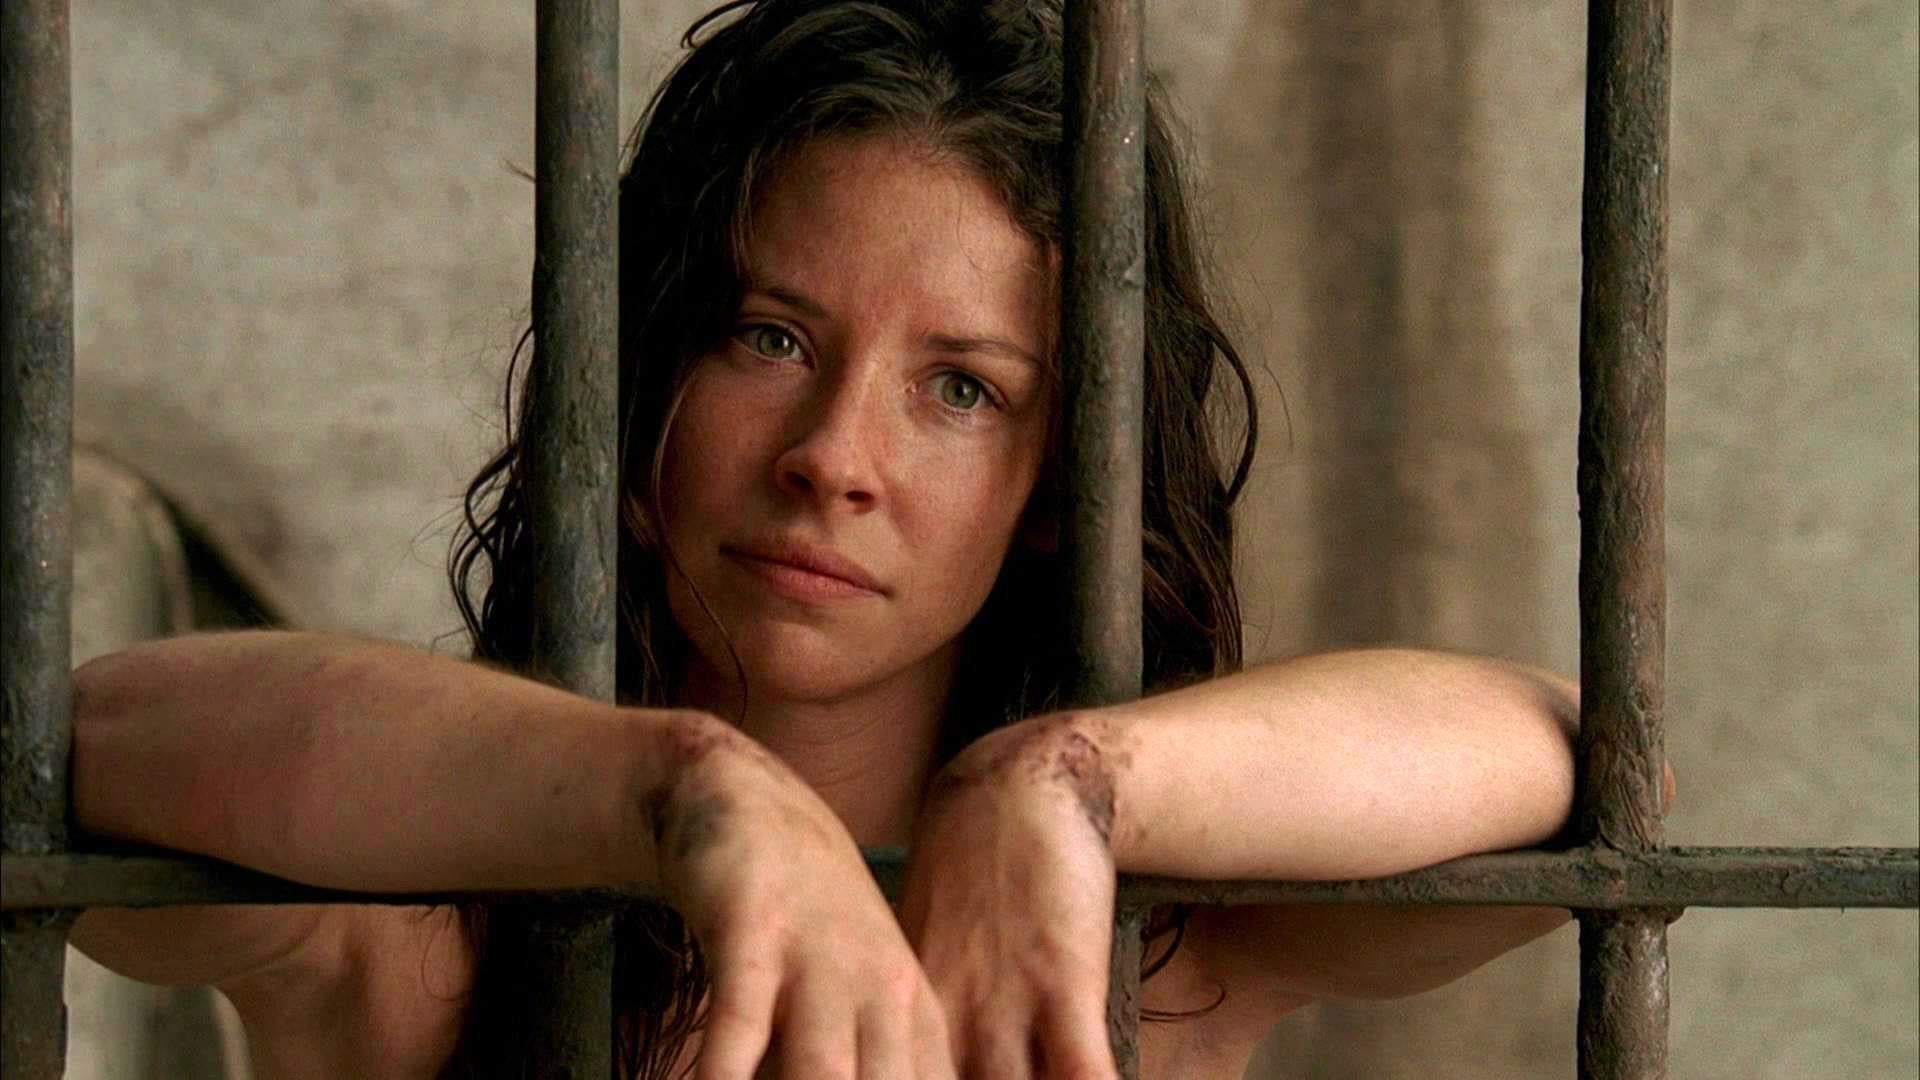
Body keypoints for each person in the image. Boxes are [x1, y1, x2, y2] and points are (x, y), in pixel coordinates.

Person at [66, 1, 1601, 1077]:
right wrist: (684, 790)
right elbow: (96, 739)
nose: (832, 460)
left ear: (1055, 489)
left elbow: (1572, 765)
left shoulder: (1143, 966)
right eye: (769, 338)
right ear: (641, 391)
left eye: (960, 389)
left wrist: (1068, 786)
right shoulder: (433, 947)